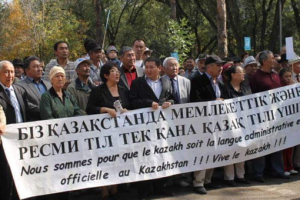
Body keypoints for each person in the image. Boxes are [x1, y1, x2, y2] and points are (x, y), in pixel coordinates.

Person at [129, 57, 175, 199]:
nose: (148, 70)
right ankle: (144, 190)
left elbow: (172, 98)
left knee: (161, 156)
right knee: (145, 158)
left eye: (151, 67)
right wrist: (148, 103)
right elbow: (132, 102)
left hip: (162, 128)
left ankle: (161, 187)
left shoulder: (166, 81)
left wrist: (169, 102)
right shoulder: (137, 83)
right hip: (144, 129)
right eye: (146, 67)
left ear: (159, 68)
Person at [86, 62, 129, 200]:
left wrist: (127, 110)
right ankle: (104, 189)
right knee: (105, 159)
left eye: (118, 71)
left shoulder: (123, 90)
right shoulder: (98, 91)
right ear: (105, 75)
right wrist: (104, 109)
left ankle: (115, 188)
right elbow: (90, 109)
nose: (117, 74)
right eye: (113, 71)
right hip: (103, 133)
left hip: (121, 132)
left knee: (118, 158)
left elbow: (130, 106)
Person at [0, 60, 39, 200]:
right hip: (4, 143)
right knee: (5, 176)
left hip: (21, 141)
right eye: (5, 71)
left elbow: (30, 109)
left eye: (11, 71)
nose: (9, 75)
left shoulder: (19, 90)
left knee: (22, 175)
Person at [249, 50, 289, 182]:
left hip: (277, 116)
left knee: (277, 142)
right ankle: (258, 172)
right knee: (260, 144)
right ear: (264, 61)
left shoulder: (276, 75)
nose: (275, 61)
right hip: (261, 117)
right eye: (272, 58)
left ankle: (277, 170)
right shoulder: (255, 77)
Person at [190, 55, 227, 195]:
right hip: (203, 123)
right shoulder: (197, 81)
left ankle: (208, 180)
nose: (221, 68)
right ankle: (198, 181)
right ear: (209, 66)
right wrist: (214, 101)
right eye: (218, 66)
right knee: (203, 151)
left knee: (214, 150)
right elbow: (195, 100)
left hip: (217, 123)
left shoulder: (220, 82)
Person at [223, 65, 251, 186]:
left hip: (244, 123)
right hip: (229, 124)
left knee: (242, 148)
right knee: (230, 149)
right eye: (240, 72)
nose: (243, 74)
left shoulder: (245, 87)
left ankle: (241, 175)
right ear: (233, 75)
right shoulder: (224, 88)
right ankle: (229, 177)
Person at [15, 56, 51, 121]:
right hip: (34, 124)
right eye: (35, 67)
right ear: (27, 70)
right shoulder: (19, 86)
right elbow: (26, 105)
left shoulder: (48, 84)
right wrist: (48, 111)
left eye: (40, 66)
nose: (39, 69)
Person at [278, 68, 299, 176]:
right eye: (286, 76)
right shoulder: (279, 89)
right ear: (281, 77)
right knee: (284, 146)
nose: (289, 78)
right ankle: (284, 167)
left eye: (290, 76)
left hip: (292, 120)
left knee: (290, 145)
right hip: (282, 121)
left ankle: (290, 166)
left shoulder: (294, 87)